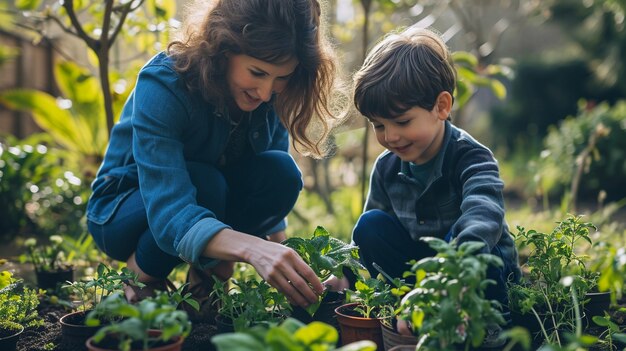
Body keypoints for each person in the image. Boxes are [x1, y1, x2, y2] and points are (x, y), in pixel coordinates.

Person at [86, 0, 344, 317]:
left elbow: (267, 184)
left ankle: (206, 282)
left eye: (281, 77)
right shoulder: (164, 83)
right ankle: (141, 276)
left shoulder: (270, 94)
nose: (265, 92)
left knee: (281, 173)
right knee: (205, 181)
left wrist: (294, 263)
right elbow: (168, 209)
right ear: (223, 48)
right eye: (257, 72)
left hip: (207, 197)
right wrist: (252, 249)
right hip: (123, 210)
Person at [329, 26, 520, 341]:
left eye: (402, 122)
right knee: (370, 225)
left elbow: (483, 217)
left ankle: (487, 330)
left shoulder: (471, 158)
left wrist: (449, 278)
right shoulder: (387, 167)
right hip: (422, 275)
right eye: (379, 125)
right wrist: (344, 273)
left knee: (469, 239)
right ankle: (409, 313)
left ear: (442, 107)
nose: (390, 137)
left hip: (474, 273)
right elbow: (366, 240)